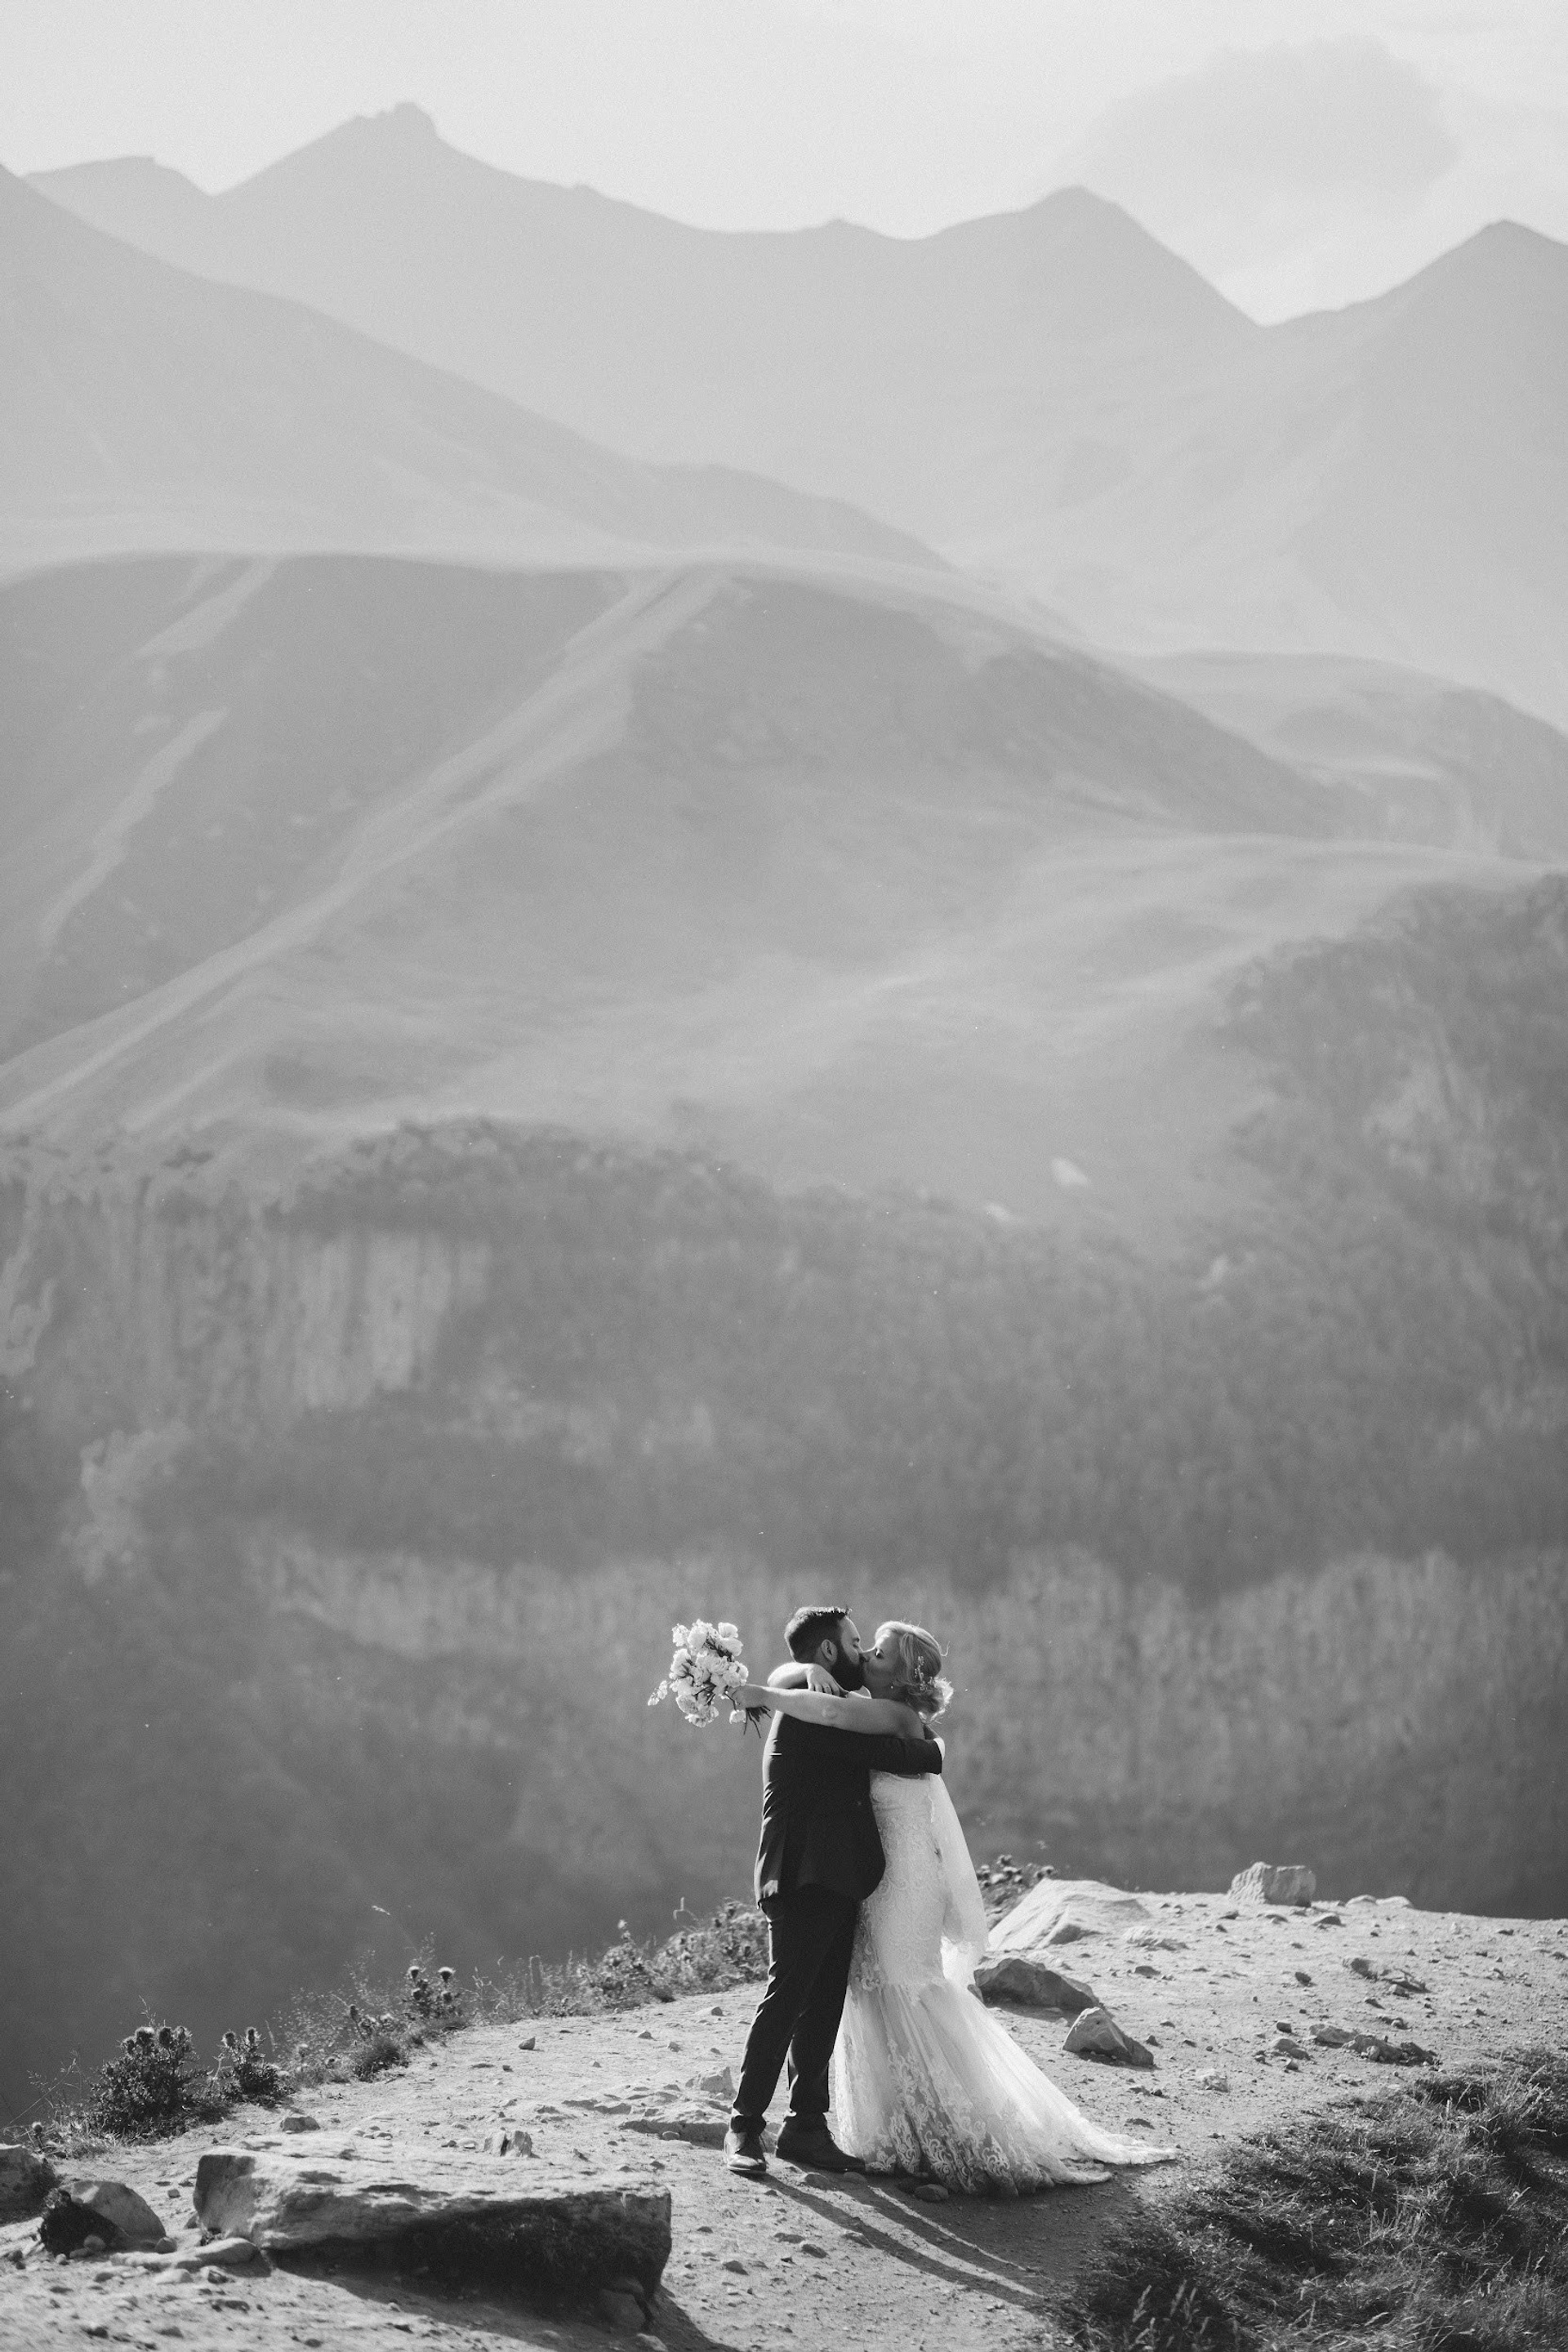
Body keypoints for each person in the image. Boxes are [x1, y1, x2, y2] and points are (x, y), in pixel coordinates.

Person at [737, 1619, 1178, 2192]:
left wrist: (763, 1697)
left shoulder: (886, 1716)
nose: (865, 1651)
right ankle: (810, 2126)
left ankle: (925, 2125)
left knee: (890, 1990)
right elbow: (815, 1692)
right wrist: (801, 1674)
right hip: (855, 1875)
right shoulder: (834, 1691)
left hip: (895, 1878)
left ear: (898, 1674)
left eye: (877, 1650)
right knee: (851, 1996)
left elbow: (841, 1719)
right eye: (858, 1644)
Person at [724, 1605, 944, 2179]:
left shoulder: (832, 1699)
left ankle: (806, 2128)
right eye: (855, 1644)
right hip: (802, 1872)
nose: (861, 1653)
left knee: (821, 2004)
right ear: (827, 1654)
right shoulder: (813, 1705)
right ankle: (745, 2127)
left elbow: (787, 1681)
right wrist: (932, 1751)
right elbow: (891, 1752)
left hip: (841, 1872)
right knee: (787, 1997)